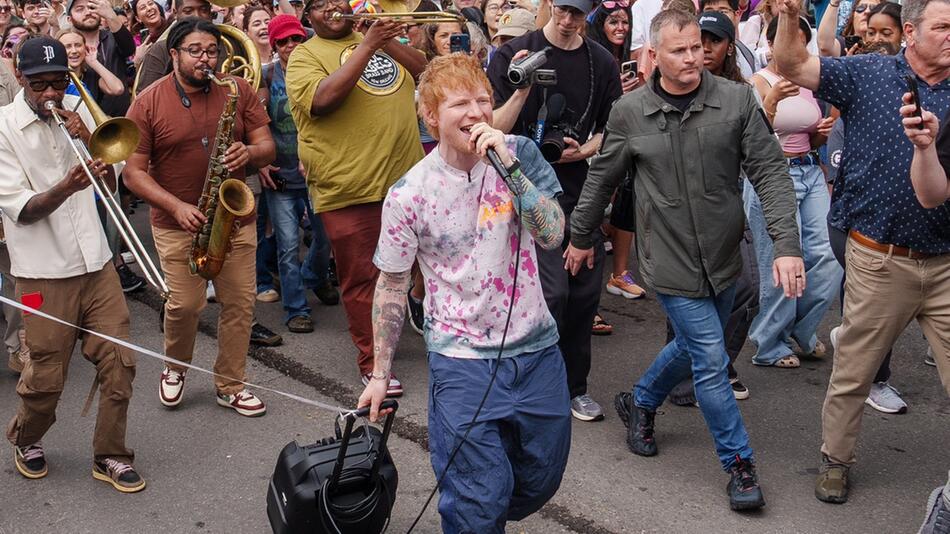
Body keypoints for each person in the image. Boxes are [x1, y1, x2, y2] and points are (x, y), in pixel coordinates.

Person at [568, 9, 804, 510]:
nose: (694, 57)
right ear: (655, 54)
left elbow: (770, 172)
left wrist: (785, 245)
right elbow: (602, 180)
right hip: (669, 262)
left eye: (698, 46)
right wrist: (581, 235)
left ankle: (641, 401)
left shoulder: (736, 101)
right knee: (711, 360)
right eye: (680, 50)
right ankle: (739, 465)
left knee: (699, 347)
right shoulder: (630, 113)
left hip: (723, 257)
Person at [358, 52, 569, 534]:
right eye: (459, 103)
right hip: (461, 362)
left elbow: (553, 234)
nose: (475, 113)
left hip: (537, 352)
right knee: (477, 500)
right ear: (430, 116)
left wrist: (511, 170)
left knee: (542, 478)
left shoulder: (518, 154)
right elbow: (391, 284)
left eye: (483, 100)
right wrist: (379, 373)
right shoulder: (410, 193)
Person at [773, 0, 950, 505]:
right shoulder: (868, 72)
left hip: (945, 261)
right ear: (911, 32)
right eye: (943, 27)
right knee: (855, 371)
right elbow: (792, 65)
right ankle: (835, 460)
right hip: (879, 257)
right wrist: (789, 18)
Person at [0, 36, 145, 492]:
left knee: (120, 363)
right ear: (20, 78)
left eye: (58, 82)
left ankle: (111, 455)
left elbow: (120, 180)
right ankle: (27, 437)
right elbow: (21, 208)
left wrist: (93, 144)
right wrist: (67, 186)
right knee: (46, 373)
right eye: (40, 84)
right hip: (44, 270)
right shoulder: (3, 128)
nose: (50, 93)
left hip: (97, 263)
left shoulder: (76, 116)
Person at [124, 18, 275, 417]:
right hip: (178, 223)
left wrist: (251, 153)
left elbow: (267, 146)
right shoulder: (148, 101)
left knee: (240, 304)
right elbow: (133, 172)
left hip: (234, 219)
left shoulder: (236, 89)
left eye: (212, 51)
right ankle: (175, 367)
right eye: (195, 51)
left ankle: (231, 384)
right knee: (184, 306)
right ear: (173, 54)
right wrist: (175, 205)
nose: (205, 59)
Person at [488, 0, 622, 422]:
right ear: (549, 5)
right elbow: (492, 127)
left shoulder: (601, 61)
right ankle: (526, 382)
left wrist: (582, 150)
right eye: (562, 10)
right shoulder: (514, 54)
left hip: (578, 188)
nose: (567, 21)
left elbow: (613, 128)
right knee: (548, 293)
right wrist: (523, 86)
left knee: (582, 294)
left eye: (578, 14)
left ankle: (572, 387)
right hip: (518, 191)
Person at [285, 0, 426, 396]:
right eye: (320, 5)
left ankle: (412, 308)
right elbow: (321, 100)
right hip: (350, 188)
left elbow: (428, 73)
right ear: (307, 16)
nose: (332, 8)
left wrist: (382, 41)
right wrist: (367, 47)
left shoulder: (375, 39)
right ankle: (374, 363)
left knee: (427, 262)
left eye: (338, 0)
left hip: (408, 182)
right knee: (364, 279)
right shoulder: (304, 55)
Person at [743, 15, 840, 369]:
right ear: (771, 43)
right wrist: (770, 101)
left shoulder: (808, 81)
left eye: (800, 41)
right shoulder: (757, 80)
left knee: (829, 256)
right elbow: (753, 138)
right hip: (773, 174)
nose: (792, 46)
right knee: (781, 259)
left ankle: (800, 328)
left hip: (810, 168)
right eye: (785, 39)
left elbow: (808, 134)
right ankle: (769, 343)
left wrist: (822, 134)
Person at [258, 14, 338, 334]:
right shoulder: (264, 76)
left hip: (317, 169)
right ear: (275, 45)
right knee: (288, 244)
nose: (291, 45)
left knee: (326, 236)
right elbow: (253, 122)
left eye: (296, 39)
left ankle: (315, 278)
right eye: (283, 41)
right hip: (280, 173)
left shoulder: (319, 71)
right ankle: (296, 308)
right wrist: (261, 162)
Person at [135, 0, 214, 93]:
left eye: (204, 10)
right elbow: (145, 101)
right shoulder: (159, 50)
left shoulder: (227, 42)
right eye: (188, 11)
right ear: (175, 13)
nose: (196, 17)